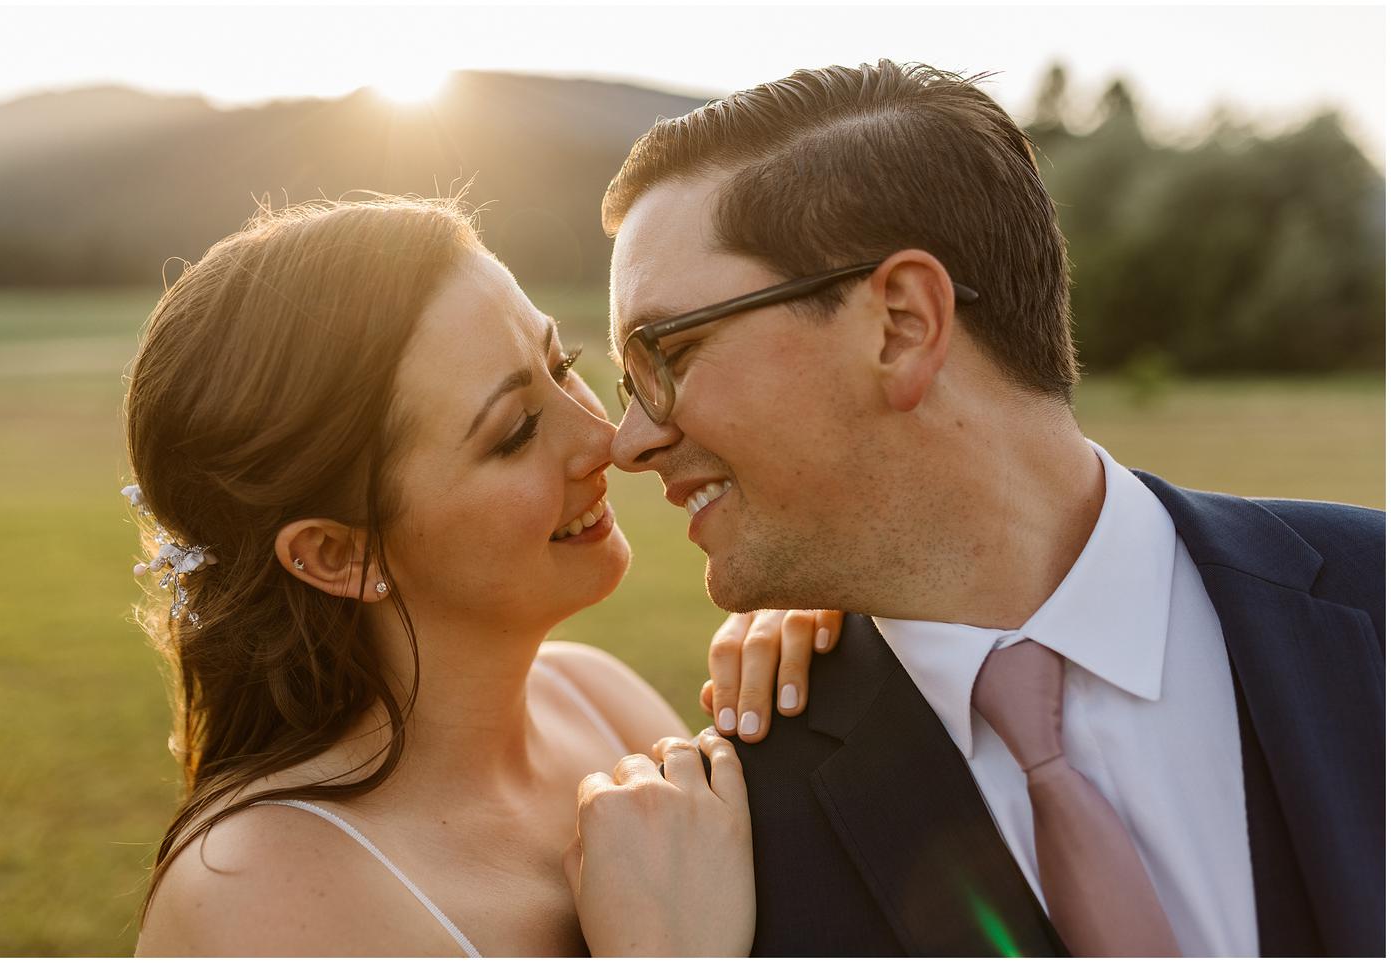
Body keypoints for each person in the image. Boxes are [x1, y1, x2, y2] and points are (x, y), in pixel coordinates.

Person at [569, 61, 1385, 956]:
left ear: (903, 323)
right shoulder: (719, 862)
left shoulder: (1369, 603)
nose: (628, 439)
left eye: (668, 353)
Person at [124, 195, 830, 956]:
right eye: (515, 430)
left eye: (564, 365)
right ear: (339, 554)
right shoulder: (251, 897)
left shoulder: (596, 697)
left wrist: (830, 648)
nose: (609, 439)